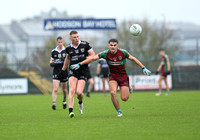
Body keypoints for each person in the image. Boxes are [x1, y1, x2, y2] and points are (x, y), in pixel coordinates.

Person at [70, 39, 151, 117]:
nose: (113, 47)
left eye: (115, 45)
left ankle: (128, 87)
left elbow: (133, 59)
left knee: (124, 98)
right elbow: (93, 58)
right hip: (113, 76)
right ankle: (119, 112)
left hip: (123, 76)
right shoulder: (105, 54)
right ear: (108, 46)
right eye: (111, 45)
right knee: (112, 92)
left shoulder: (123, 53)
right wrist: (79, 64)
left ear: (117, 46)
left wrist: (143, 68)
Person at [59, 31, 95, 118]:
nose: (76, 39)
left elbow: (93, 56)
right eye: (74, 37)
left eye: (77, 36)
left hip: (83, 71)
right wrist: (63, 69)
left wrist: (85, 60)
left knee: (79, 93)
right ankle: (70, 111)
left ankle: (80, 102)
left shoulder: (85, 45)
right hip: (73, 71)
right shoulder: (68, 48)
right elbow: (67, 59)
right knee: (71, 90)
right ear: (70, 38)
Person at [50, 36, 68, 110]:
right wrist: (53, 63)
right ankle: (54, 103)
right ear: (57, 42)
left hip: (64, 71)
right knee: (56, 89)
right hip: (56, 71)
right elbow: (51, 61)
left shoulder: (66, 50)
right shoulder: (53, 51)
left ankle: (64, 100)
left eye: (61, 42)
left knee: (64, 89)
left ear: (63, 42)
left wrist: (65, 61)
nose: (60, 43)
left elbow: (69, 60)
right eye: (59, 42)